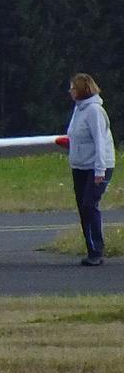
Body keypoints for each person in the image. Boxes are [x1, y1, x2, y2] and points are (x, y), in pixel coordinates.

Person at [67, 72, 114, 266]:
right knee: (82, 207)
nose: (70, 91)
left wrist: (99, 170)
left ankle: (97, 251)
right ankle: (91, 248)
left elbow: (100, 142)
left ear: (81, 90)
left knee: (89, 205)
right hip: (80, 166)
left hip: (97, 166)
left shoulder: (94, 110)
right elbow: (75, 135)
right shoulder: (79, 109)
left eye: (73, 88)